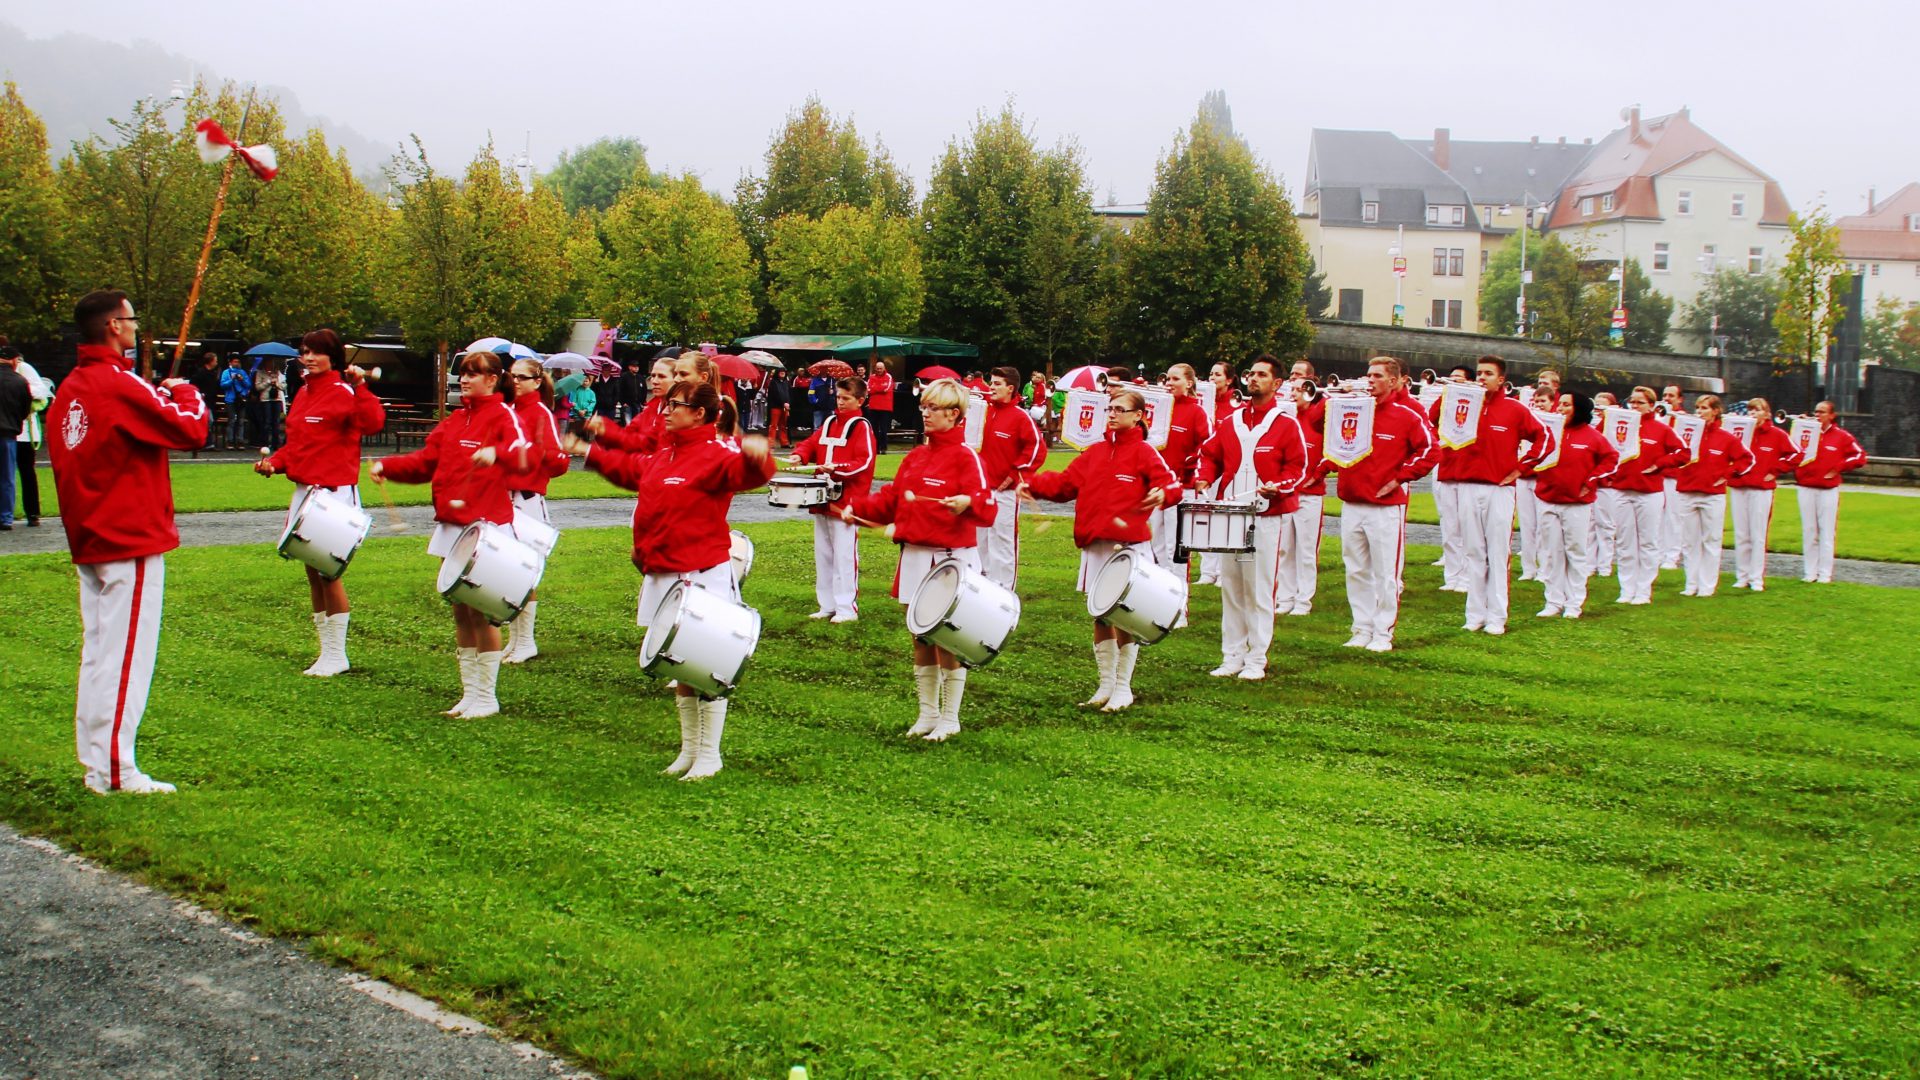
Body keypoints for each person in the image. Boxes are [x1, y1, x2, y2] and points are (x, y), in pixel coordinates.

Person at [568, 381, 774, 780]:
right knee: (679, 664)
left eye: (674, 405)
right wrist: (588, 452)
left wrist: (759, 458)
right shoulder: (665, 451)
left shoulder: (717, 453)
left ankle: (709, 754)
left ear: (699, 413)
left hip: (702, 573)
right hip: (664, 571)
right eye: (665, 404)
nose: (664, 410)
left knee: (708, 665)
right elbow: (632, 470)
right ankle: (689, 750)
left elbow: (748, 474)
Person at [48, 290, 209, 793]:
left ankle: (97, 760)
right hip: (128, 535)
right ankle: (116, 770)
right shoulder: (116, 383)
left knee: (99, 654)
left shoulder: (72, 387)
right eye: (131, 320)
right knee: (125, 660)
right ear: (115, 326)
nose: (136, 328)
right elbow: (192, 429)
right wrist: (181, 390)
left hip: (92, 534)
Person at [371, 350, 532, 720]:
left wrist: (498, 452)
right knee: (460, 611)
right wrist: (388, 467)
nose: (465, 380)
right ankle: (469, 693)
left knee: (483, 613)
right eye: (462, 373)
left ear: (492, 379)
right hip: (451, 526)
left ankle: (487, 696)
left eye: (473, 374)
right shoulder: (455, 420)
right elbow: (426, 461)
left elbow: (528, 454)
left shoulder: (504, 414)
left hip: (487, 527)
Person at [840, 379, 996, 741]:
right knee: (920, 637)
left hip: (948, 559)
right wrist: (856, 508)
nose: (925, 413)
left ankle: (950, 717)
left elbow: (987, 507)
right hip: (914, 557)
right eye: (923, 407)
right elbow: (892, 499)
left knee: (946, 639)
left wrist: (968, 503)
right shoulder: (915, 456)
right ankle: (927, 714)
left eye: (933, 408)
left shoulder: (966, 456)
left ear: (954, 414)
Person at [1022, 387, 1181, 710]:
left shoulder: (1145, 453)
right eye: (1109, 409)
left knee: (1125, 616)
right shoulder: (1094, 452)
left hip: (1129, 548)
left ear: (1138, 416)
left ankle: (1123, 686)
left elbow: (1170, 483)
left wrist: (1165, 494)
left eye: (1120, 409)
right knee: (1100, 614)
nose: (1112, 414)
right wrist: (1034, 483)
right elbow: (1065, 485)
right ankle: (1105, 684)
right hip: (1096, 544)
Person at [254, 329, 387, 675]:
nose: (309, 358)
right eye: (304, 352)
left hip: (334, 493)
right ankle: (325, 651)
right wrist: (275, 464)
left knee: (329, 572)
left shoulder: (344, 391)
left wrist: (361, 388)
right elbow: (296, 445)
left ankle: (337, 653)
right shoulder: (302, 393)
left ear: (333, 357)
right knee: (311, 572)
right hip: (305, 492)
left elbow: (372, 423)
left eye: (316, 352)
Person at [1192, 355, 1310, 677]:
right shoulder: (1231, 421)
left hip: (1265, 515)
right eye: (1252, 374)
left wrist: (1279, 487)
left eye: (1262, 375)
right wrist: (1204, 476)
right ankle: (1232, 655)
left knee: (1258, 588)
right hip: (1231, 512)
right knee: (1231, 585)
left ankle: (1257, 658)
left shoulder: (1287, 424)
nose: (1254, 379)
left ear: (1277, 384)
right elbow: (1210, 454)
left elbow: (1298, 468)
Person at [1428, 356, 1553, 636]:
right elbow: (1431, 421)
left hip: (1499, 489)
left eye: (1488, 373)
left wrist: (1522, 468)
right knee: (1473, 551)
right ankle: (1474, 614)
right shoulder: (1462, 402)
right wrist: (1451, 391)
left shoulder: (1515, 409)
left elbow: (1545, 438)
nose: (1482, 378)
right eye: (1480, 373)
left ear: (1502, 380)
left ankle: (1497, 616)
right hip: (1466, 485)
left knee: (1498, 552)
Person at [1330, 356, 1437, 652]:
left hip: (1385, 506)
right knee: (1355, 569)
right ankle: (1361, 627)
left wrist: (1400, 477)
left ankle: (1383, 631)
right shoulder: (1356, 410)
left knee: (1385, 573)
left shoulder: (1407, 414)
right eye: (1368, 375)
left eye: (1377, 376)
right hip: (1352, 502)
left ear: (1393, 381)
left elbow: (1430, 449)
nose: (1370, 381)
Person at [499, 357, 570, 663]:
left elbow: (558, 461)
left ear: (537, 382)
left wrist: (537, 452)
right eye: (512, 376)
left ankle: (526, 640)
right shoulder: (508, 410)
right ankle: (515, 639)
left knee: (524, 571)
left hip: (526, 500)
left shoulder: (539, 412)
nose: (515, 382)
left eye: (522, 377)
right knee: (504, 570)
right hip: (503, 497)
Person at [791, 377, 876, 622]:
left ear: (860, 400)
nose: (840, 402)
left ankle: (846, 608)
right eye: (838, 397)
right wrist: (800, 454)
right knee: (824, 553)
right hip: (823, 499)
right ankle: (826, 604)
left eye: (846, 398)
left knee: (844, 555)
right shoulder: (829, 422)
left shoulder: (861, 426)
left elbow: (865, 462)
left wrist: (837, 469)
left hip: (847, 501)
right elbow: (811, 443)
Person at [1532, 391, 1619, 619]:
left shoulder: (1593, 437)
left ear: (1578, 408)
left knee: (1576, 553)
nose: (1560, 408)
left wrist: (1591, 480)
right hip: (1547, 499)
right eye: (1559, 404)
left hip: (1576, 504)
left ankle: (1574, 603)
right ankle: (1553, 601)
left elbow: (1611, 459)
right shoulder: (1549, 431)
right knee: (1551, 553)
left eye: (1566, 405)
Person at [1601, 386, 1690, 605]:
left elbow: (1683, 453)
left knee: (1648, 542)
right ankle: (1627, 588)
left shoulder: (1661, 429)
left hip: (1649, 492)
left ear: (1651, 405)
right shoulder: (1619, 423)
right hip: (1621, 489)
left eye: (1640, 402)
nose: (1635, 406)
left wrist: (1659, 465)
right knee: (1625, 541)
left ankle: (1643, 590)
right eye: (1632, 402)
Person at [1670, 395, 1754, 597]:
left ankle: (1707, 586)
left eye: (1705, 408)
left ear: (1715, 411)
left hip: (1712, 495)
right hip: (1686, 492)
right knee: (1690, 541)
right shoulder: (1685, 433)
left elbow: (1747, 459)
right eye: (1698, 408)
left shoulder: (1726, 438)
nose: (1700, 411)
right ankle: (1691, 584)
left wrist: (1727, 475)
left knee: (1711, 540)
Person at [1150, 363, 1212, 622]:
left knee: (1177, 551)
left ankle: (1178, 610)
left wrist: (1192, 469)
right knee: (1155, 547)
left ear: (1189, 382)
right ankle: (1156, 604)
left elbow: (1207, 446)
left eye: (1175, 379)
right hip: (1155, 489)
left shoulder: (1197, 412)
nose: (1169, 383)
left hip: (1182, 490)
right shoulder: (1159, 409)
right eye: (1167, 378)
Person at [976, 366, 1047, 591]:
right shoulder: (983, 411)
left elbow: (1037, 448)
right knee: (979, 542)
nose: (991, 387)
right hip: (980, 489)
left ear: (1010, 388)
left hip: (1004, 492)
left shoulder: (1020, 417)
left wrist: (1016, 474)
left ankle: (1003, 593)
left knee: (1002, 542)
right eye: (991, 382)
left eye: (997, 384)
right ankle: (980, 588)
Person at [1726, 398, 1800, 591]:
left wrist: (1774, 470)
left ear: (1767, 414)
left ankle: (1756, 578)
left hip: (1761, 488)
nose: (1753, 414)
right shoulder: (1740, 433)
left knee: (1757, 534)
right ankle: (1742, 575)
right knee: (1741, 533)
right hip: (1739, 485)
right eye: (1750, 410)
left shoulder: (1777, 434)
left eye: (1757, 410)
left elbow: (1795, 454)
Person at [1793, 400, 1868, 584]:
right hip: (1805, 486)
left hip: (1828, 489)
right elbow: (1792, 449)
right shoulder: (1807, 432)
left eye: (1822, 412)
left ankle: (1825, 573)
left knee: (1826, 532)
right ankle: (1810, 572)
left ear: (1832, 415)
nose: (1818, 415)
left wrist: (1839, 467)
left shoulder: (1841, 436)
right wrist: (1801, 426)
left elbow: (1860, 456)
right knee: (1809, 531)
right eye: (1816, 412)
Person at [1280, 375, 1329, 616]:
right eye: (1293, 390)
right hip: (1288, 493)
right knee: (1285, 548)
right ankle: (1285, 596)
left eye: (1300, 390)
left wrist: (1317, 475)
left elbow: (1330, 453)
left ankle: (1304, 600)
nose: (1295, 394)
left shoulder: (1318, 421)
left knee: (1306, 550)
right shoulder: (1287, 420)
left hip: (1310, 494)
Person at [1427, 364, 1474, 589]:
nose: (1452, 380)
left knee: (1467, 527)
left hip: (1468, 471)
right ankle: (1452, 576)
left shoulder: (1475, 401)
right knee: (1450, 525)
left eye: (1458, 378)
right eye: (1451, 377)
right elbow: (1431, 419)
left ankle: (1467, 577)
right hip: (1446, 467)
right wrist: (1447, 394)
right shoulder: (1445, 399)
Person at [1515, 368, 1561, 582]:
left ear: (1552, 402)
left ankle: (1544, 569)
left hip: (1546, 478)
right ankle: (1528, 568)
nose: (1540, 404)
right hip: (1525, 476)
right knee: (1527, 524)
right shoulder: (1527, 420)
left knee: (1545, 527)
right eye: (1537, 400)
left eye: (1543, 401)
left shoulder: (1558, 422)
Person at [1588, 391, 1621, 577]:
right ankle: (1590, 564)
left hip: (1608, 483)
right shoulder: (1591, 425)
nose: (1598, 410)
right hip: (1591, 481)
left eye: (1603, 406)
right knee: (1590, 524)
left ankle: (1605, 565)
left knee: (1606, 524)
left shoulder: (1613, 425)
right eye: (1597, 406)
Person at [1658, 383, 1688, 568]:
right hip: (1659, 474)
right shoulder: (1659, 417)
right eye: (1665, 395)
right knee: (1658, 517)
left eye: (1671, 395)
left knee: (1674, 516)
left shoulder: (1683, 419)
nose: (1667, 398)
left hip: (1676, 476)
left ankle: (1672, 555)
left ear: (1680, 399)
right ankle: (1659, 553)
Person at [253, 357, 287, 449]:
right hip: (265, 399)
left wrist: (277, 384)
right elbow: (258, 387)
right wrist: (268, 382)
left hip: (276, 398)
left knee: (276, 422)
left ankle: (275, 443)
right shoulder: (260, 373)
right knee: (267, 421)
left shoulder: (277, 372)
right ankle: (265, 443)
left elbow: (284, 385)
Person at [219, 355, 251, 448]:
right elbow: (223, 385)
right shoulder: (226, 372)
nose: (236, 363)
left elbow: (249, 385)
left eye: (238, 362)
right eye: (235, 362)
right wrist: (231, 379)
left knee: (241, 421)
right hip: (230, 399)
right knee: (231, 420)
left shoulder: (242, 372)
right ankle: (230, 441)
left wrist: (242, 380)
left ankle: (240, 440)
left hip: (241, 399)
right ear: (231, 363)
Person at [866, 358, 895, 454]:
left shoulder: (889, 377)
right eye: (877, 368)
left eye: (880, 368)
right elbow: (868, 389)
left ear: (884, 368)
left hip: (885, 408)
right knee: (873, 429)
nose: (879, 370)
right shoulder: (871, 377)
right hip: (873, 407)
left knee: (883, 429)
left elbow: (886, 389)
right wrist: (879, 388)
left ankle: (883, 448)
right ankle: (875, 448)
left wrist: (875, 388)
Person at [764, 364, 791, 449]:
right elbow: (776, 394)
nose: (782, 373)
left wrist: (788, 403)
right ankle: (770, 443)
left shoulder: (786, 382)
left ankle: (784, 443)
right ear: (778, 373)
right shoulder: (773, 382)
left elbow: (788, 394)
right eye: (781, 372)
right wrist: (784, 403)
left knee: (783, 425)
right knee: (773, 425)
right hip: (775, 406)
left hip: (785, 406)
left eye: (783, 372)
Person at [1025, 371, 1050, 435]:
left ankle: (1040, 437)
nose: (1037, 378)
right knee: (1034, 424)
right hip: (1035, 407)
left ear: (1042, 379)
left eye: (1039, 377)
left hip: (1040, 407)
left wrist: (1039, 404)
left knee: (1039, 424)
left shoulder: (1042, 386)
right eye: (1036, 377)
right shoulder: (1035, 386)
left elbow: (1045, 397)